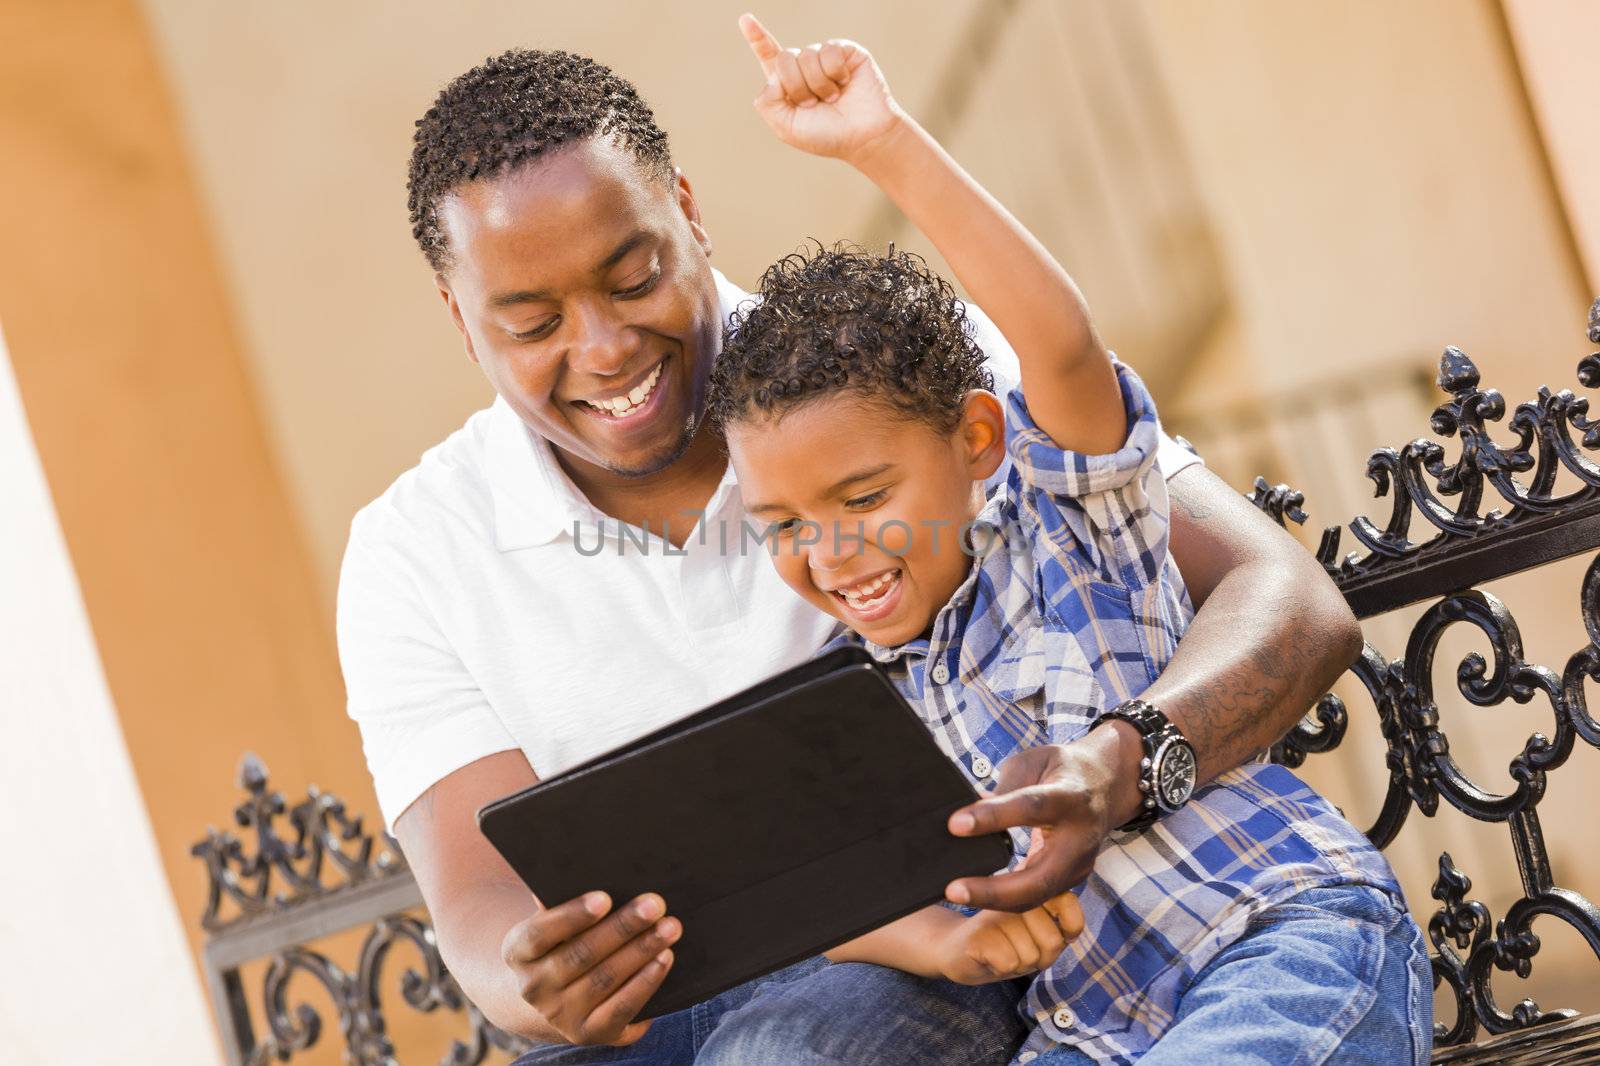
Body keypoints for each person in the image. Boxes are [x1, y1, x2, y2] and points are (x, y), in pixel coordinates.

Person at [335, 16, 1375, 1064]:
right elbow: (475, 902)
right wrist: (528, 974)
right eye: (529, 323)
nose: (603, 349)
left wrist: (1123, 758)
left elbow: (1283, 593)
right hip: (699, 1002)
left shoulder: (891, 376)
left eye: (631, 276)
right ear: (461, 321)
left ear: (687, 212)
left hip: (969, 969)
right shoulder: (409, 552)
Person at [700, 17, 1432, 1065]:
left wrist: (883, 144)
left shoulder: (1066, 522)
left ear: (977, 438)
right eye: (783, 526)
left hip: (1273, 942)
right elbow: (815, 896)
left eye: (863, 496)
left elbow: (1060, 341)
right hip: (1084, 1033)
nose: (831, 551)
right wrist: (945, 942)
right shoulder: (849, 695)